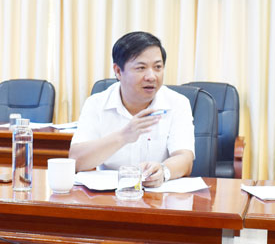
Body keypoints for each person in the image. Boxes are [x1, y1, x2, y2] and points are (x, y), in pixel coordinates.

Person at [69, 31, 195, 187]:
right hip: (110, 199)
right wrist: (123, 136)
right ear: (117, 71)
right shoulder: (96, 103)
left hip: (159, 199)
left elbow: (185, 158)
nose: (151, 76)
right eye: (141, 68)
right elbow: (76, 161)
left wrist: (164, 171)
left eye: (157, 67)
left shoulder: (178, 103)